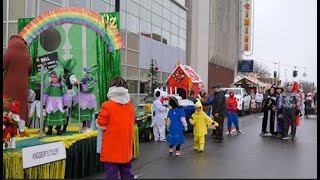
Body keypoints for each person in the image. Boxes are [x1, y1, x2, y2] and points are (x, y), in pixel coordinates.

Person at [96, 76, 135, 179]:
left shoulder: (107, 105)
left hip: (111, 149)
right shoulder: (130, 106)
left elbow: (101, 125)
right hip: (126, 148)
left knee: (111, 175)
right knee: (127, 174)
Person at [3, 35, 32, 126]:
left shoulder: (10, 51)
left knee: (8, 104)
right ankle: (22, 129)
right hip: (23, 85)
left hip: (9, 84)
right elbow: (30, 69)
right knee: (22, 106)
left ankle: (7, 127)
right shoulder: (27, 54)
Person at [43, 67, 71, 135]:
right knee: (50, 115)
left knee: (59, 115)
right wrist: (44, 103)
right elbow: (45, 94)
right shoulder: (49, 85)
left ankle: (58, 129)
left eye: (55, 77)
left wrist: (66, 103)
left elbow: (65, 95)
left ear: (59, 77)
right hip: (50, 103)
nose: (54, 79)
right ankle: (50, 129)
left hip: (59, 103)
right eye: (52, 77)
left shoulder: (62, 85)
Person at [71, 66, 98, 132]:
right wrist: (78, 85)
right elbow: (82, 88)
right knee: (83, 113)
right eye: (86, 72)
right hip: (82, 97)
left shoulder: (91, 81)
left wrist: (79, 84)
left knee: (87, 113)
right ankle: (84, 126)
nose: (86, 74)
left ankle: (88, 126)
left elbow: (86, 89)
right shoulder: (85, 79)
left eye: (88, 72)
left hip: (87, 98)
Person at [59, 58, 77, 133]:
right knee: (62, 111)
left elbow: (75, 83)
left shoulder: (71, 76)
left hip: (68, 94)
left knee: (66, 111)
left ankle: (64, 127)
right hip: (61, 94)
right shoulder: (61, 76)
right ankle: (60, 127)